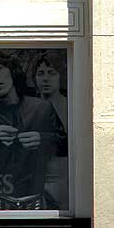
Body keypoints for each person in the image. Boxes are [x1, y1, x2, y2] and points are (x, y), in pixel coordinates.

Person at [0, 49, 64, 210]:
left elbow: (67, 144)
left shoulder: (42, 108)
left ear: (11, 70)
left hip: (36, 203)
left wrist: (42, 139)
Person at [31, 51, 68, 209]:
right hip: (33, 179)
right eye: (40, 73)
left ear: (61, 76)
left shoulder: (70, 106)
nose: (45, 78)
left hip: (63, 179)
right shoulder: (29, 107)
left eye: (51, 73)